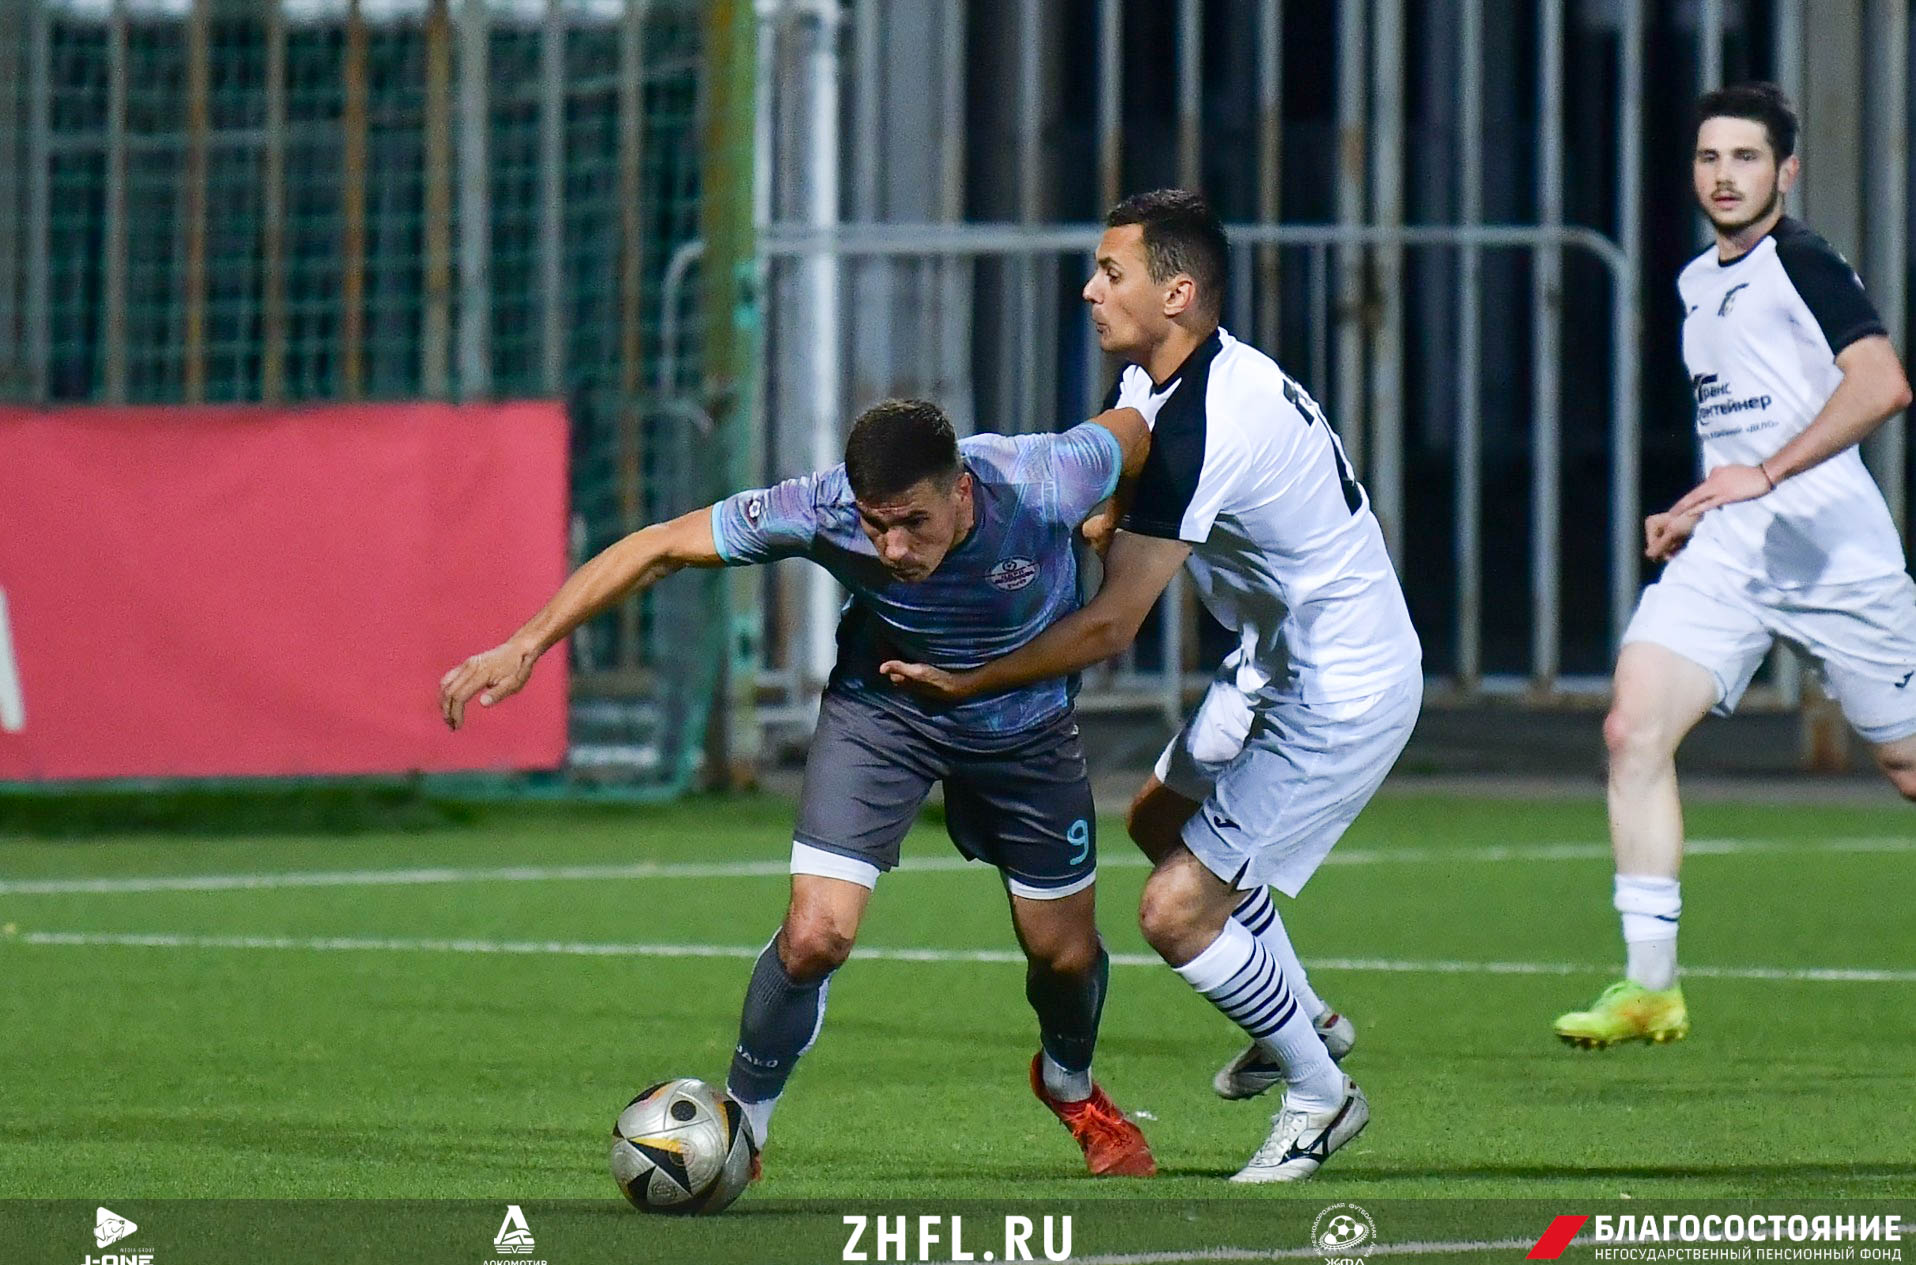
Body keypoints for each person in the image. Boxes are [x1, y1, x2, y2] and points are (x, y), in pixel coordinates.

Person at [440, 396, 1159, 1178]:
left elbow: (1133, 433)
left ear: (961, 490)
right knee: (817, 934)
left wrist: (1113, 512)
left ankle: (1069, 1084)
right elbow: (661, 546)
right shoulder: (821, 507)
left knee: (1063, 955)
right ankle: (741, 1128)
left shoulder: (1044, 477)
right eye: (876, 524)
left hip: (1025, 725)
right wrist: (527, 643)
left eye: (913, 523)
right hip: (885, 709)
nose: (892, 547)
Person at [882, 189, 1423, 1182]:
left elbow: (1112, 623)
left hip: (1341, 688)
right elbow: (1108, 479)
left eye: (1111, 273)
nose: (1089, 290)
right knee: (1157, 819)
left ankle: (1320, 1094)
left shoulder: (1207, 422)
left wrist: (970, 680)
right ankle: (1299, 1018)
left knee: (1175, 910)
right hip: (1274, 659)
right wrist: (1084, 514)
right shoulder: (1161, 377)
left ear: (1176, 294)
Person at [1553, 83, 1916, 1049]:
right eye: (1710, 157)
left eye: (1747, 158)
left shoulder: (1803, 262)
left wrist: (1765, 473)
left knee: (1907, 766)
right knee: (1632, 728)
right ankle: (1651, 987)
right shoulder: (1693, 283)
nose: (1725, 175)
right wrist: (1695, 506)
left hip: (1836, 556)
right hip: (1730, 557)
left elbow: (1882, 384)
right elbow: (1743, 430)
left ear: (1785, 171)